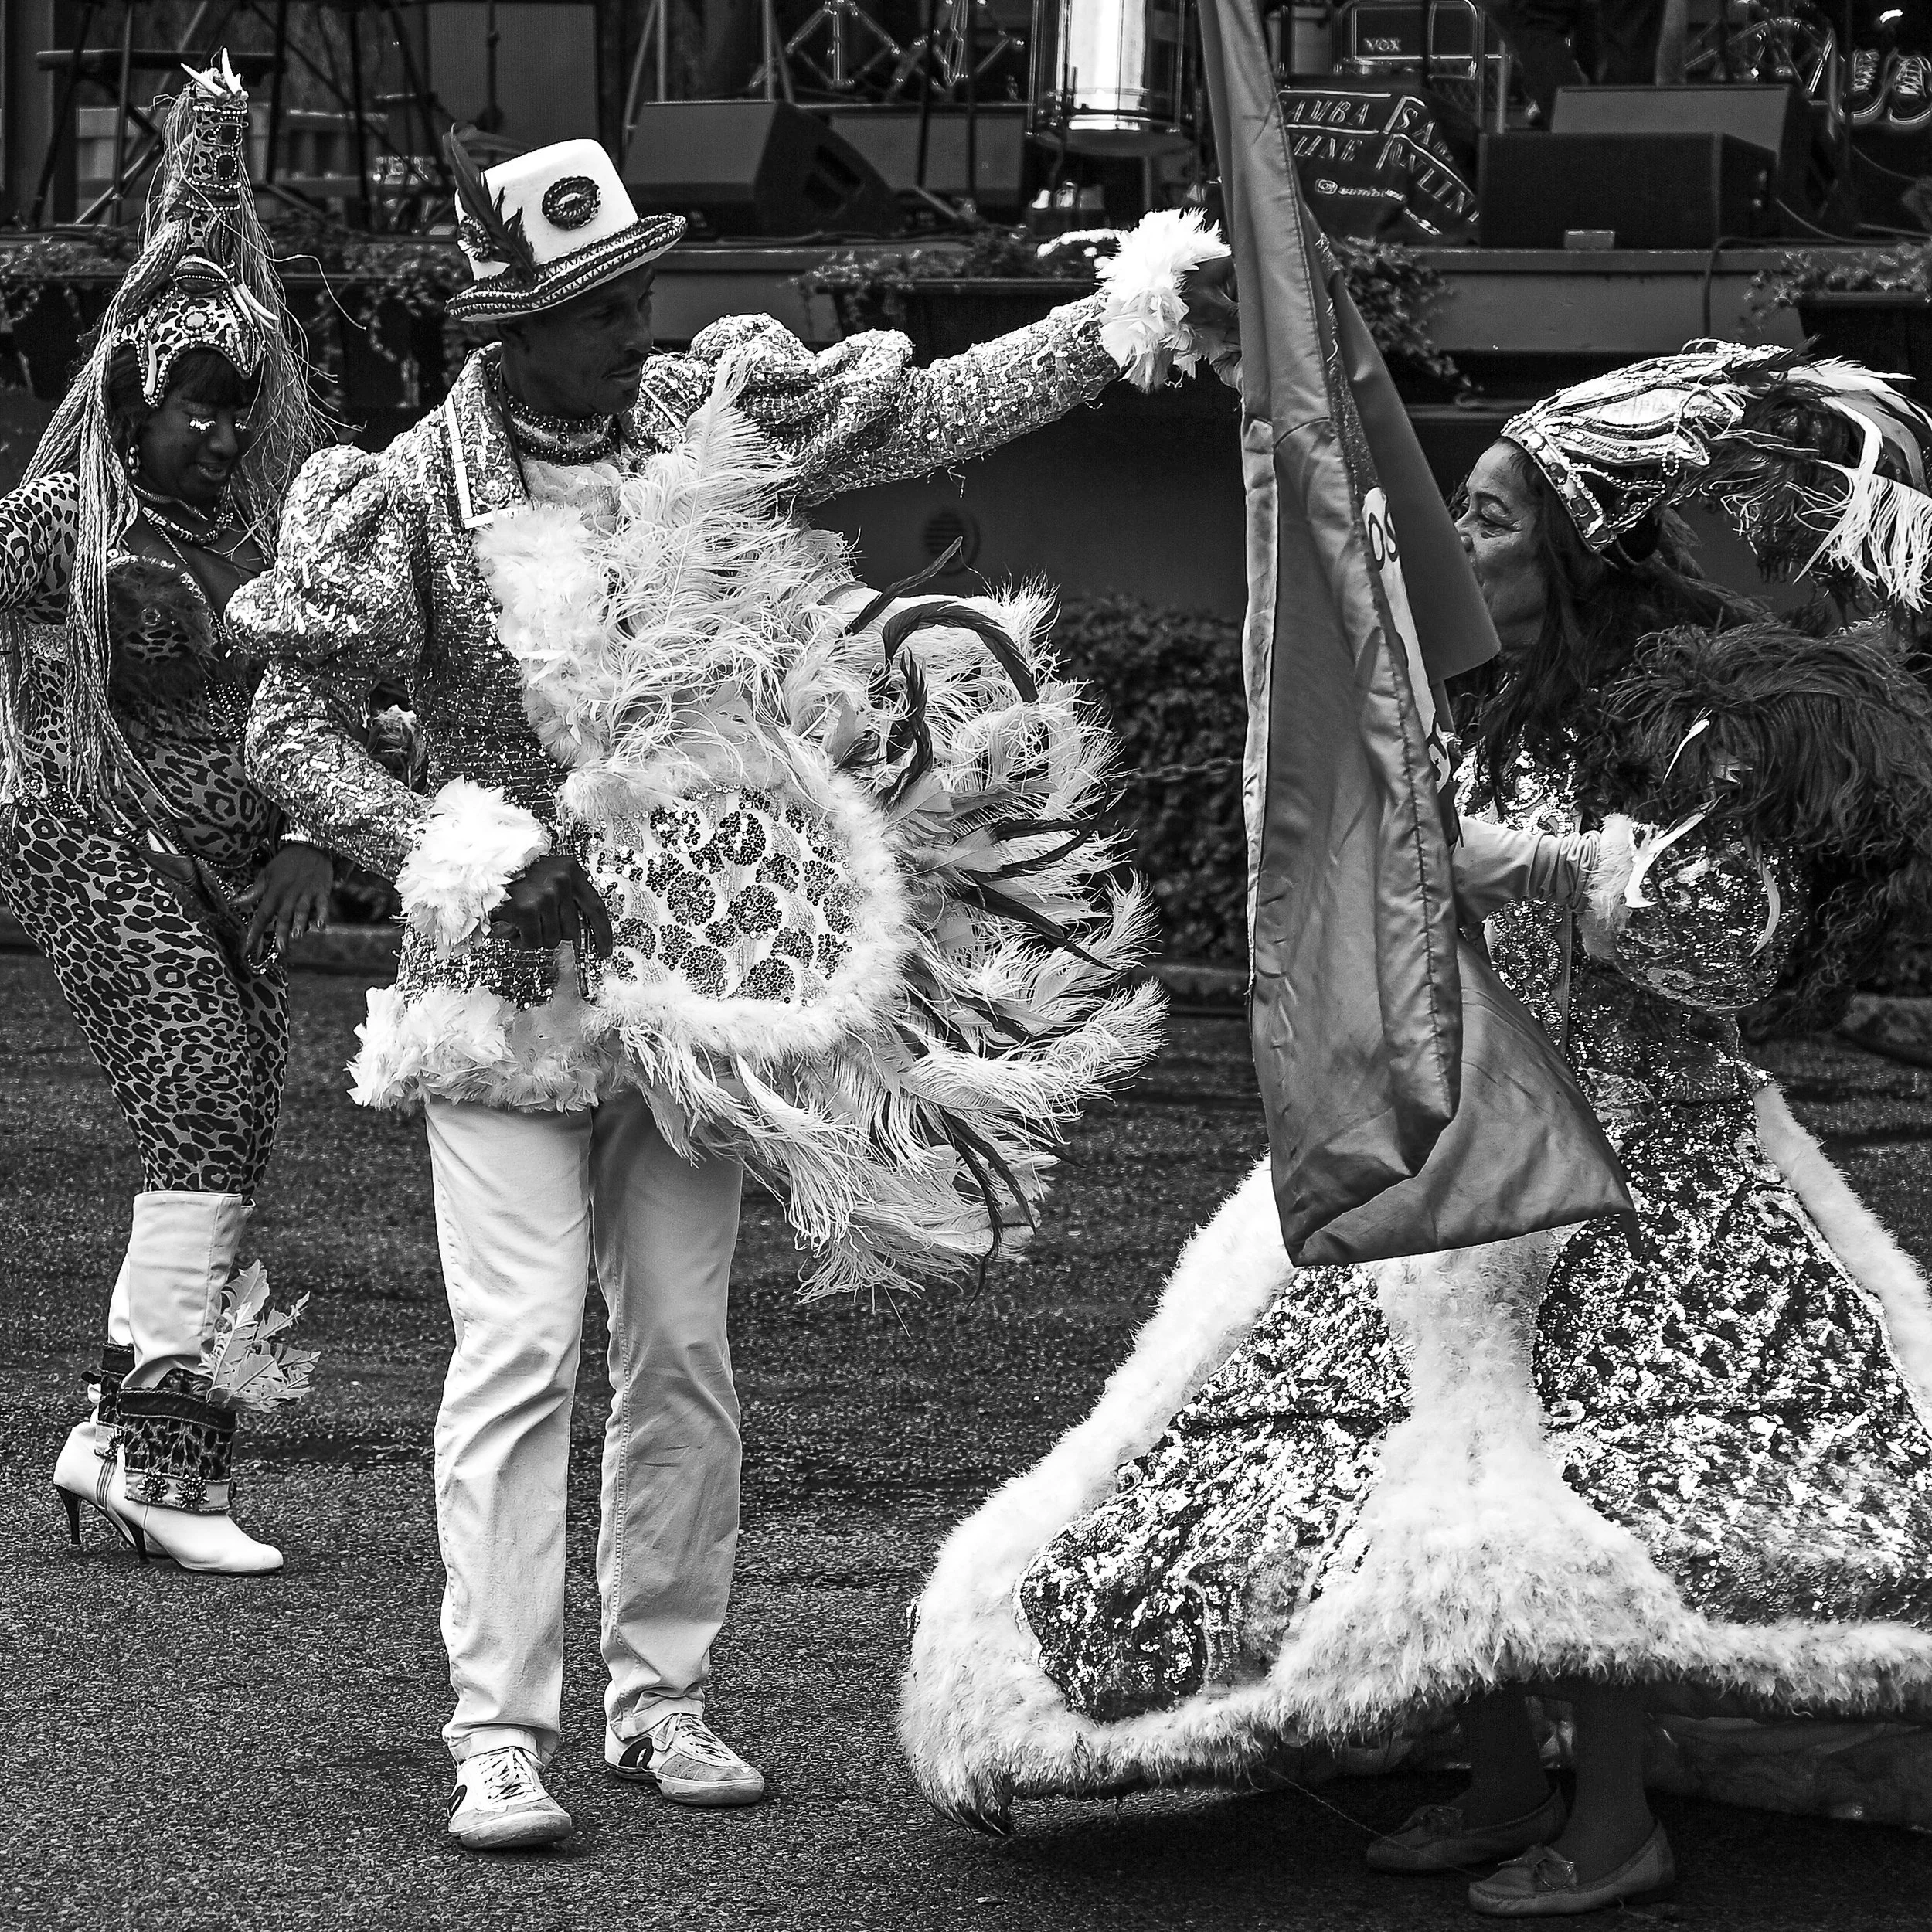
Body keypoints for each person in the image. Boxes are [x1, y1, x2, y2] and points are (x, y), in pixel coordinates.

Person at [229, 128, 1234, 1850]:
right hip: (509, 977)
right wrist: (454, 843)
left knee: (682, 1343)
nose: (635, 337)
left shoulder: (710, 414)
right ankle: (496, 1731)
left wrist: (1120, 317)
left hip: (704, 986)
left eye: (637, 299)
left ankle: (661, 1694)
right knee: (522, 1345)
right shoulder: (405, 490)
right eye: (598, 313)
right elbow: (285, 728)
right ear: (509, 327)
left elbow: (928, 416)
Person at [900, 342, 1932, 1913]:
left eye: (1497, 521)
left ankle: (1611, 1815)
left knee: (1593, 1482)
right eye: (1459, 512)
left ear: (1584, 552)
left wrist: (1549, 870)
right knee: (1436, 1468)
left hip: (1636, 1166)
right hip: (1452, 1134)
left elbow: (1734, 948)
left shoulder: (1692, 721)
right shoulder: (1457, 708)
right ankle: (1502, 1773)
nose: (1461, 544)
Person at [2, 57, 333, 1577]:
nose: (217, 431)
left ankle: (116, 1436)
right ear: (133, 401)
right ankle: (165, 1471)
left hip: (239, 870)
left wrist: (308, 840)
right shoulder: (72, 519)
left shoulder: (259, 531)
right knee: (198, 1087)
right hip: (96, 843)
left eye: (238, 407)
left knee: (224, 1122)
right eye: (194, 404)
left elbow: (344, 698)